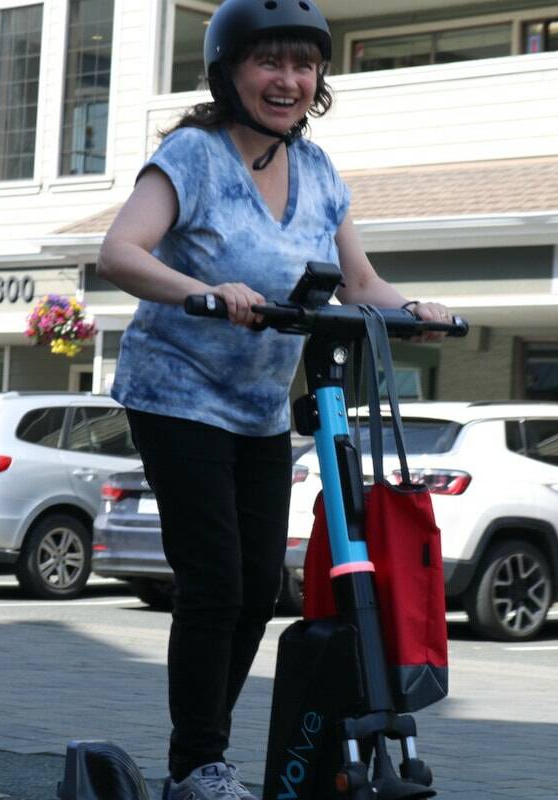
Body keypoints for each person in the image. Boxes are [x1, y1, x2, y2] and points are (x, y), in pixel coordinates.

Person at [97, 1, 453, 798]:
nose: (288, 80)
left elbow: (360, 283)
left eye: (303, 64)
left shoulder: (319, 171)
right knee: (216, 582)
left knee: (259, 587)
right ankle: (198, 764)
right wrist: (206, 291)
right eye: (269, 62)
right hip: (177, 394)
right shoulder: (193, 156)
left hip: (258, 407)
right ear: (230, 72)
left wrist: (413, 311)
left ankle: (201, 755)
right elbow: (120, 251)